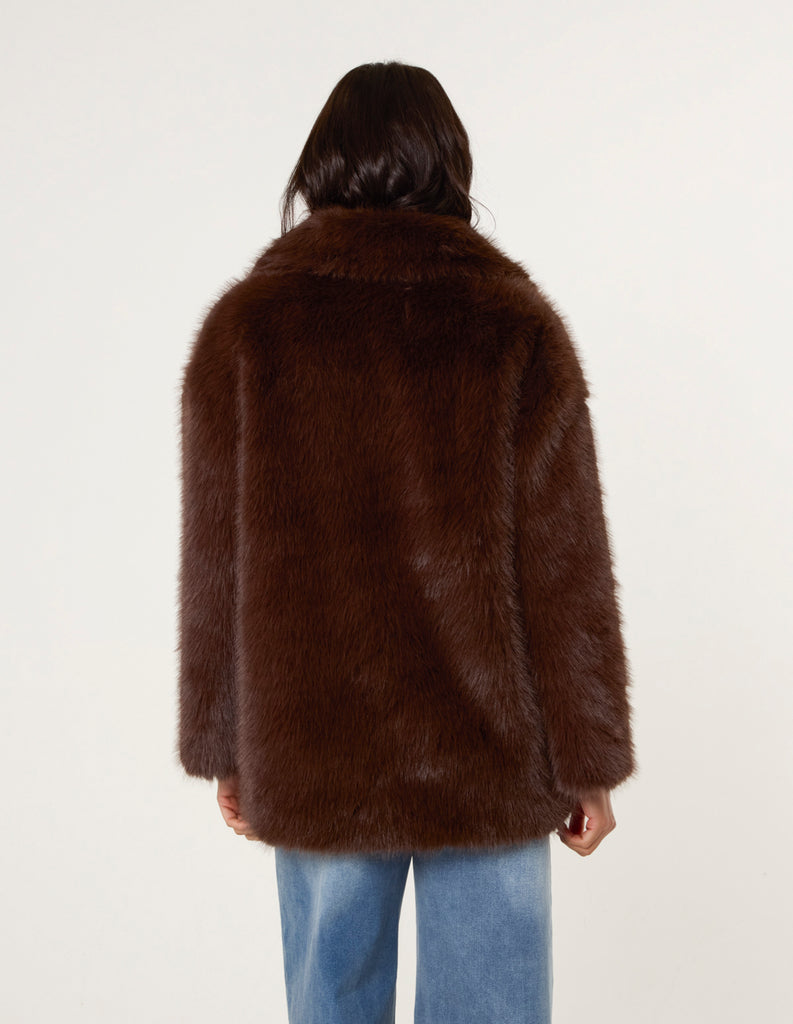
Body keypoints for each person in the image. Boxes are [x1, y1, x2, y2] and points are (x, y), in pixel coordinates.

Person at [176, 60, 637, 1024]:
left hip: (315, 745)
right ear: (448, 164)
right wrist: (587, 757)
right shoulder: (512, 326)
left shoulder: (248, 329)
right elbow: (565, 567)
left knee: (330, 1003)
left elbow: (215, 559)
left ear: (321, 163)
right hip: (491, 751)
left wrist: (227, 745)